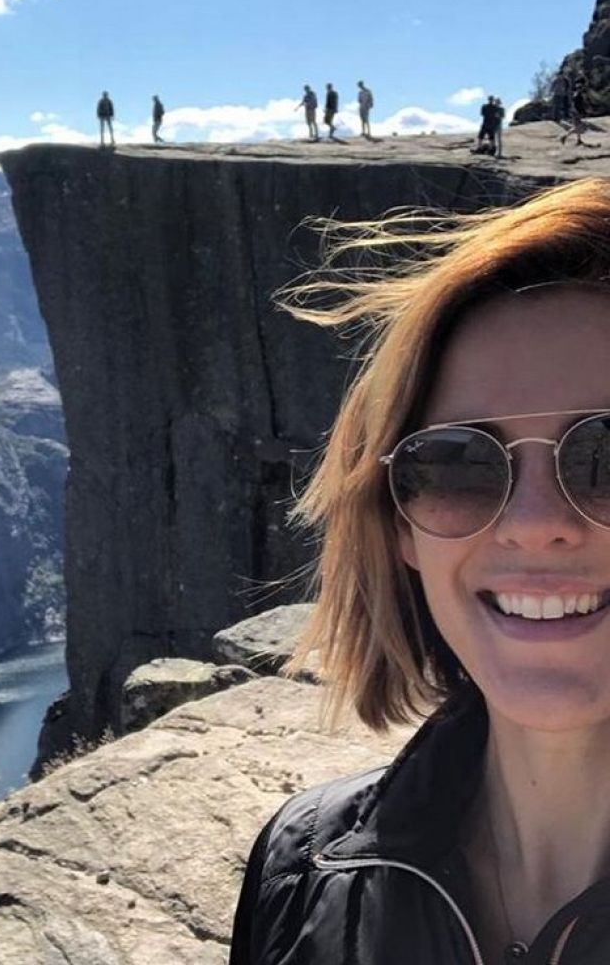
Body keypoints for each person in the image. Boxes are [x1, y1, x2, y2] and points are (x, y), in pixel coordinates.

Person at [229, 176, 610, 964]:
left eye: (605, 457)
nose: (533, 525)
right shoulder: (299, 874)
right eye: (458, 466)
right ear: (400, 525)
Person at [561, 77, 588, 146]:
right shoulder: (578, 94)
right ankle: (565, 136)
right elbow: (576, 104)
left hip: (574, 111)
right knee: (579, 126)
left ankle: (578, 140)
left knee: (577, 126)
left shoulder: (576, 93)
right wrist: (578, 112)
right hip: (576, 112)